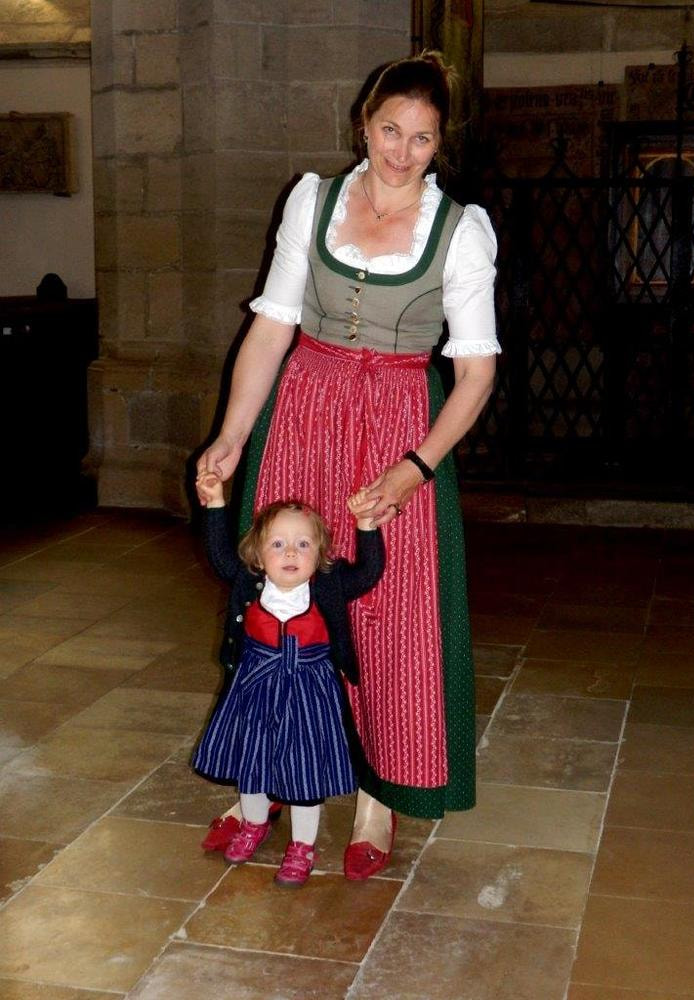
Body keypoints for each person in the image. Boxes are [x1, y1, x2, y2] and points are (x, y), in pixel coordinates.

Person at [196, 50, 500, 879]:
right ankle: (261, 778)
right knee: (279, 593)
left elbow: (475, 374)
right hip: (304, 413)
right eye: (390, 130)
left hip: (399, 425)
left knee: (387, 612)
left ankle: (378, 793)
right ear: (364, 124)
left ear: (441, 143)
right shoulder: (314, 201)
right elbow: (272, 325)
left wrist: (414, 470)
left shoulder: (461, 232)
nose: (402, 152)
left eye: (422, 139)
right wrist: (233, 435)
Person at [193, 475, 385, 887]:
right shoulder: (249, 582)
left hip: (309, 694)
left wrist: (366, 526)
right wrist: (215, 503)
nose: (291, 552)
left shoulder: (328, 586)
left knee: (304, 771)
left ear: (321, 553)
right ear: (258, 555)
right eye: (278, 544)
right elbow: (219, 555)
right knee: (252, 762)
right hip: (255, 689)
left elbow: (369, 573)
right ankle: (254, 823)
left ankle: (302, 846)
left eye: (303, 544)